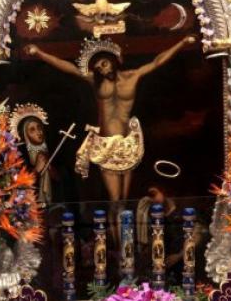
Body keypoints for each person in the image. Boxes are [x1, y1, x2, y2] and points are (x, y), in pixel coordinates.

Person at [25, 36, 195, 201]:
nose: (103, 70)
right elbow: (69, 68)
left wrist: (181, 43)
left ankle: (124, 230)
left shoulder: (133, 76)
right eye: (98, 68)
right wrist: (39, 53)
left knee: (125, 199)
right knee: (114, 200)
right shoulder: (95, 81)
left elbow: (157, 62)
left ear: (114, 60)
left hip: (129, 143)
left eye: (104, 64)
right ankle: (110, 229)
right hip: (106, 145)